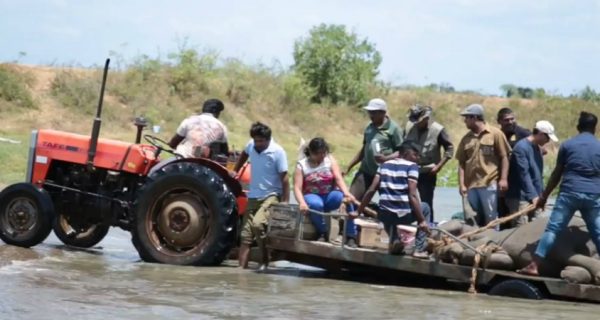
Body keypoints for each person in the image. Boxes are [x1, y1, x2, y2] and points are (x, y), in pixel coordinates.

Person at [519, 112, 600, 276]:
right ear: (595, 128)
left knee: (553, 229)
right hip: (593, 195)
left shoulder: (568, 145)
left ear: (578, 127)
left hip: (569, 193)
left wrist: (543, 197)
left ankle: (534, 265)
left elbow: (557, 173)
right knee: (597, 232)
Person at [358, 140, 431, 258]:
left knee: (386, 209)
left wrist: (358, 211)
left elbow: (371, 190)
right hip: (402, 215)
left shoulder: (383, 165)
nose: (417, 158)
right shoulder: (412, 167)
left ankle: (395, 240)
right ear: (406, 154)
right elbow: (412, 195)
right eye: (415, 155)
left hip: (385, 215)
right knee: (425, 207)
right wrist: (422, 220)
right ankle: (418, 249)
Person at [343, 98, 404, 240]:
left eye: (374, 113)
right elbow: (364, 149)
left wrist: (386, 159)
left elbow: (402, 151)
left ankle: (393, 238)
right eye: (369, 112)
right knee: (350, 200)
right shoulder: (369, 127)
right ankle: (349, 235)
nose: (371, 116)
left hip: (385, 174)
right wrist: (349, 166)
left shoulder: (394, 129)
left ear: (383, 113)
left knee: (389, 207)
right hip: (366, 171)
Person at [231, 122, 289, 269]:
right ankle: (240, 270)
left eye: (261, 141)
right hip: (253, 195)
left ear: (268, 139)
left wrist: (286, 201)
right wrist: (235, 169)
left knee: (258, 224)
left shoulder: (277, 152)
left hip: (271, 195)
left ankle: (265, 260)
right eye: (256, 140)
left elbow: (285, 178)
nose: (258, 144)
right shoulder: (251, 145)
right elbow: (244, 153)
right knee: (245, 236)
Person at [293, 138, 358, 247]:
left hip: (329, 195)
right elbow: (297, 187)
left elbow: (338, 178)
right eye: (319, 154)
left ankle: (351, 235)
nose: (322, 156)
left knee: (347, 200)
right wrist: (301, 203)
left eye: (324, 153)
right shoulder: (302, 165)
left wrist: (346, 193)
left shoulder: (330, 160)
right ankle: (322, 232)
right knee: (316, 204)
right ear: (311, 153)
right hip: (312, 195)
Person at [456, 104, 510, 227]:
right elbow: (461, 163)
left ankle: (490, 242)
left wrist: (503, 179)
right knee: (472, 218)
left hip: (489, 182)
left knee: (490, 218)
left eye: (467, 118)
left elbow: (504, 157)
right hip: (471, 185)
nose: (465, 121)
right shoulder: (466, 138)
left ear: (475, 117)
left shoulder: (495, 134)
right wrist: (462, 184)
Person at [404, 105, 454, 222]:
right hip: (410, 171)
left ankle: (428, 229)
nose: (416, 124)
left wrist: (439, 166)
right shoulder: (408, 126)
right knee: (407, 200)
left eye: (419, 121)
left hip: (428, 172)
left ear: (426, 118)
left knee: (426, 203)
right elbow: (403, 146)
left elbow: (449, 148)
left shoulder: (438, 130)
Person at [505, 121, 558, 227]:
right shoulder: (521, 148)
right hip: (520, 198)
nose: (548, 141)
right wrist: (533, 196)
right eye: (547, 138)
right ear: (541, 134)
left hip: (535, 196)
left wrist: (541, 196)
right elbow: (524, 175)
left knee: (537, 227)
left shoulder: (537, 148)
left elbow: (537, 175)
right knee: (520, 229)